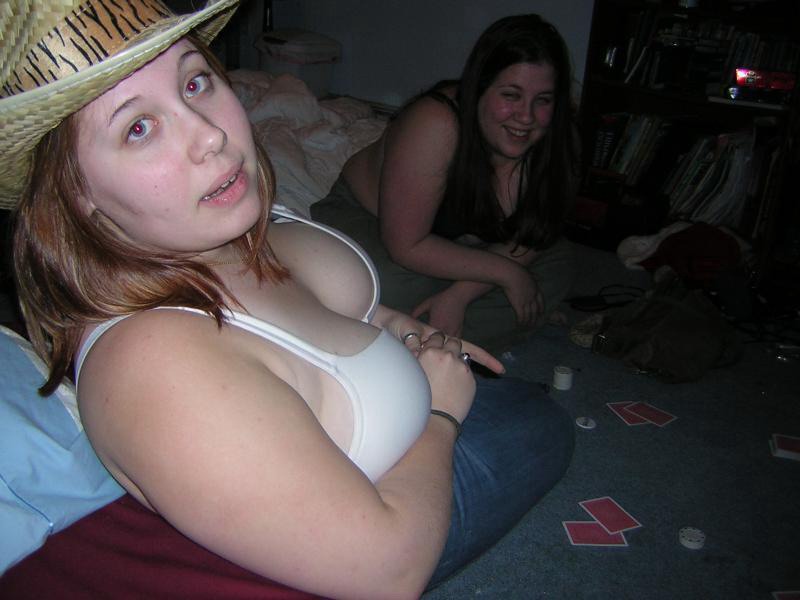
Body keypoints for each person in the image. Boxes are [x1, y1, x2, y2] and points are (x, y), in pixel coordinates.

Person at [0, 1, 574, 597]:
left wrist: (397, 327)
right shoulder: (151, 364)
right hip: (393, 515)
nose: (211, 134)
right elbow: (387, 574)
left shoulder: (208, 222)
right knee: (543, 426)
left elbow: (328, 313)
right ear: (76, 192)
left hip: (408, 408)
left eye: (194, 83)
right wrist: (442, 417)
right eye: (138, 128)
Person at [311, 14, 580, 349]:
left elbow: (532, 235)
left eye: (543, 100)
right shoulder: (435, 123)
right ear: (479, 88)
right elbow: (406, 246)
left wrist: (461, 294)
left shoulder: (557, 137)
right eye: (511, 95)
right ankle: (450, 329)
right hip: (371, 224)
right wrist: (508, 273)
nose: (526, 117)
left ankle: (420, 332)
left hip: (461, 247)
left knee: (560, 261)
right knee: (382, 283)